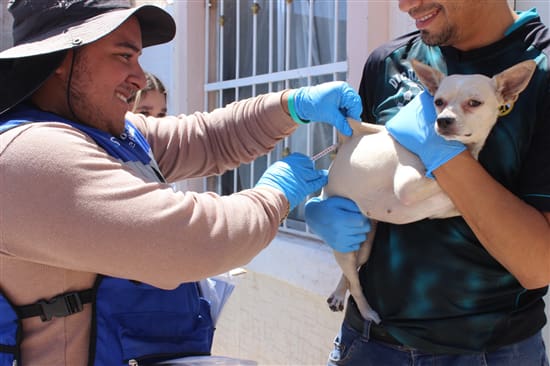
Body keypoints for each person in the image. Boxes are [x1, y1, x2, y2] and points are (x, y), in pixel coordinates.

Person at [0, 1, 363, 365]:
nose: (140, 78)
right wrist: (275, 196)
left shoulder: (105, 133)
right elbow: (189, 241)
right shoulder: (30, 154)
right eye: (123, 56)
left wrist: (290, 106)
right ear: (62, 58)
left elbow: (204, 138)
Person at [305, 1, 550, 365]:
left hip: (488, 353)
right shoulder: (389, 62)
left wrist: (445, 155)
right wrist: (324, 204)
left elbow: (538, 265)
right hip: (366, 343)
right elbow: (361, 168)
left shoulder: (541, 73)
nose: (406, 4)